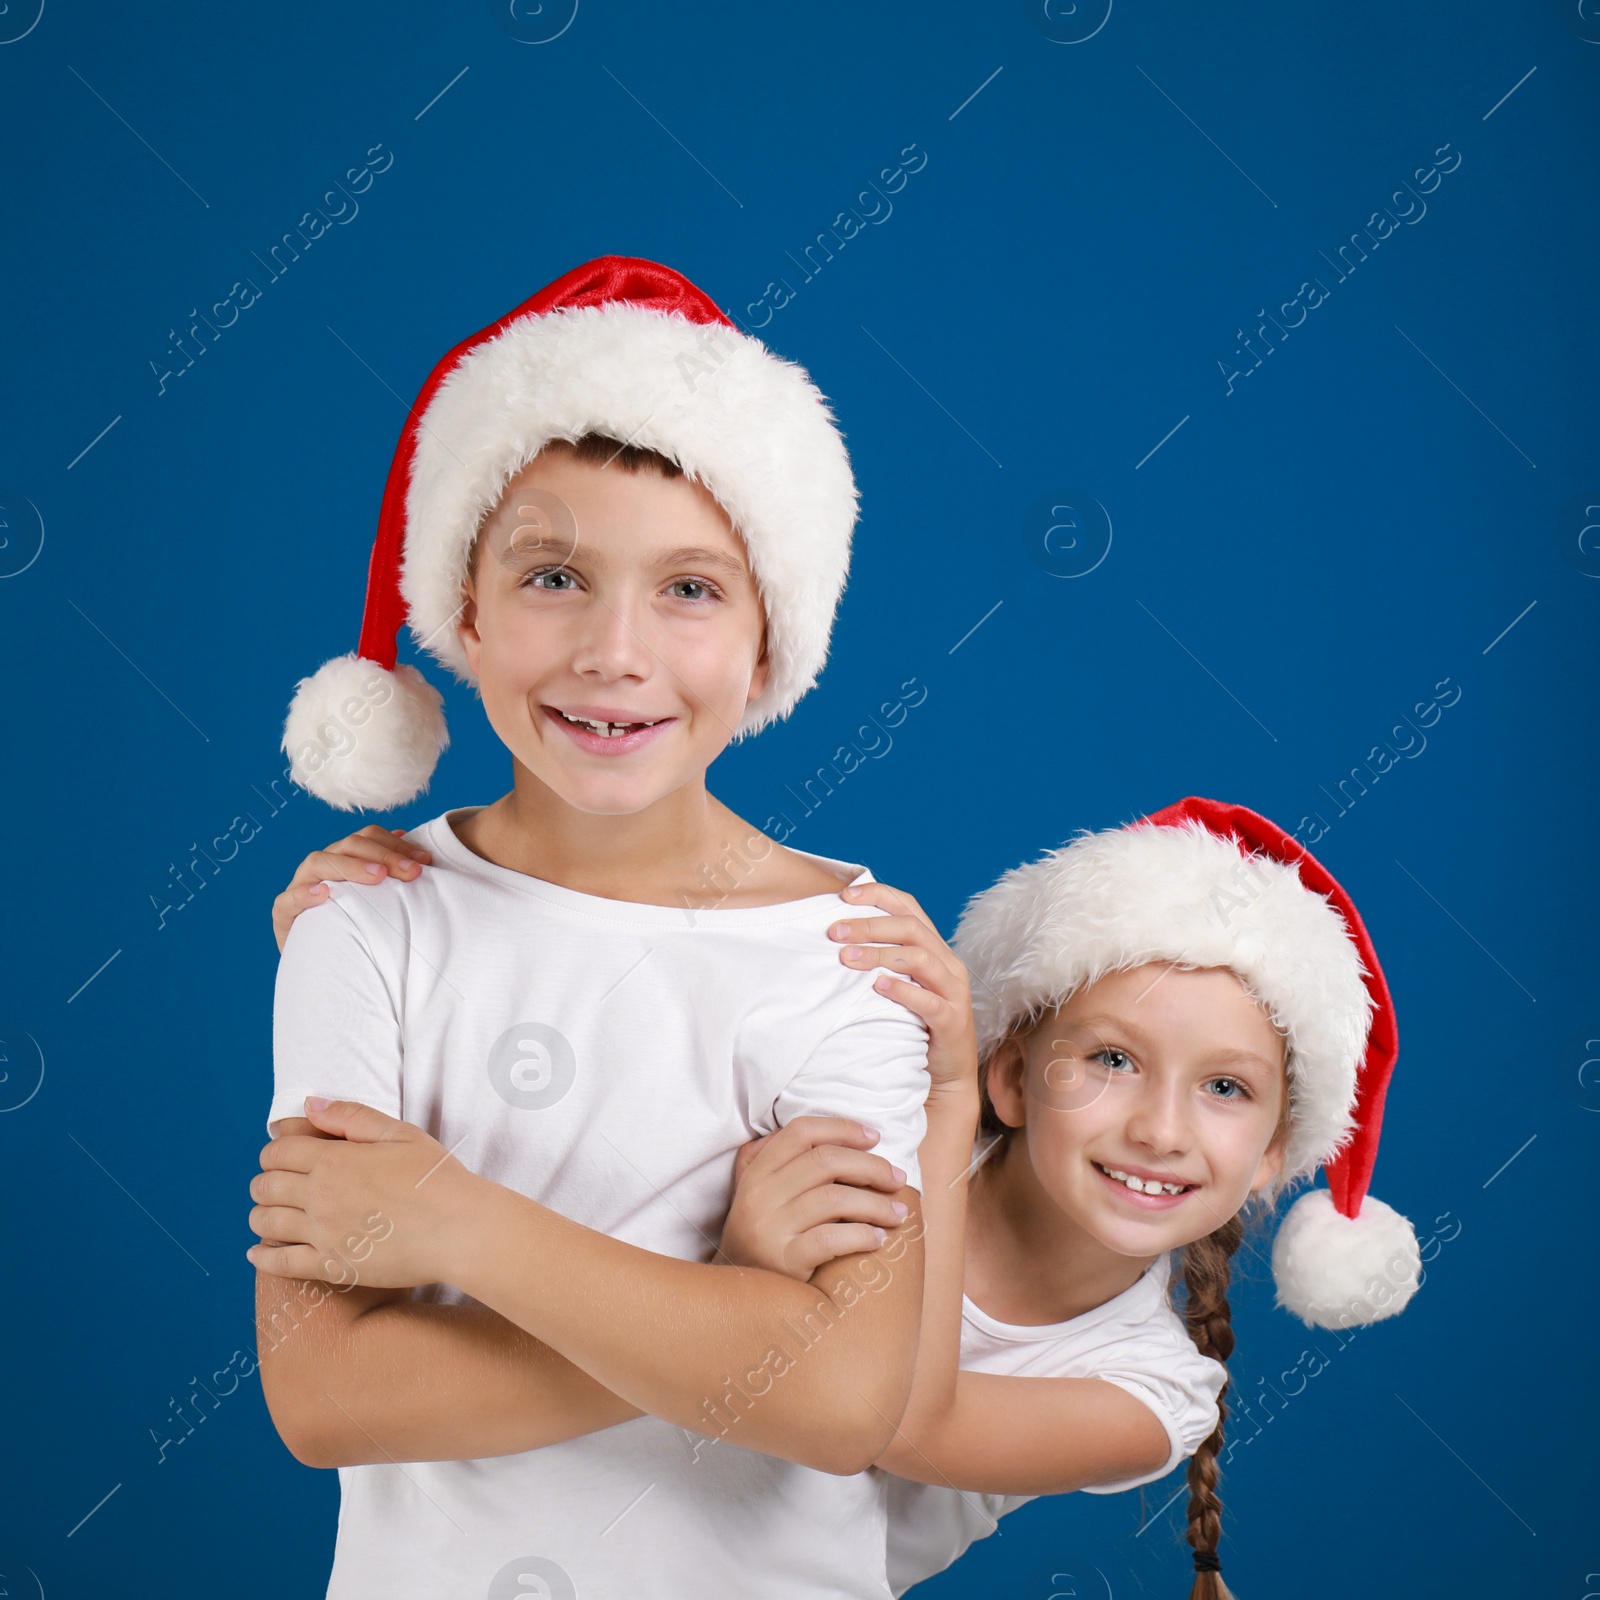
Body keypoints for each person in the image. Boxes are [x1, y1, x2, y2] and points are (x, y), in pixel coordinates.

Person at [264, 797, 1422, 1598]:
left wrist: (943, 1108)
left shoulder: (1156, 1392)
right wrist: (402, 925)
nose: (1160, 1127)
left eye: (1225, 1088)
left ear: (1274, 1159)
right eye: (1110, 1059)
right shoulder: (865, 1107)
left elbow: (889, 1420)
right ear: (1020, 1073)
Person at [250, 256, 930, 1600]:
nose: (615, 652)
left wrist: (460, 1228)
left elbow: (843, 1400)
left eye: (691, 589)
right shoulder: (365, 923)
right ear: (464, 612)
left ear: (769, 641)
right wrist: (732, 1296)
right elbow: (326, 1393)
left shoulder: (851, 957)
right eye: (554, 576)